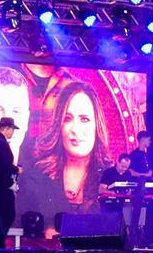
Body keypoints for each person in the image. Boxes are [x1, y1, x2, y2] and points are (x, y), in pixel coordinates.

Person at [30, 77, 112, 213]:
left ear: (97, 125)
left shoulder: (108, 176)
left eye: (84, 119)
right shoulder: (40, 174)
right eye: (67, 119)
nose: (75, 129)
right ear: (59, 125)